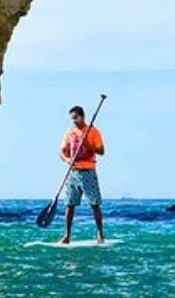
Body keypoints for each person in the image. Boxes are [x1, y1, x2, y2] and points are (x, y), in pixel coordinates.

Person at [59, 104, 105, 244]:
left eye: (76, 118)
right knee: (69, 205)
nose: (74, 121)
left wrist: (87, 144)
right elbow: (62, 151)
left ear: (82, 116)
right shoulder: (69, 132)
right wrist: (67, 159)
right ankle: (67, 236)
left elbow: (101, 151)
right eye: (72, 119)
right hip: (73, 173)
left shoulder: (93, 131)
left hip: (88, 171)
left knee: (94, 204)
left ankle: (100, 234)